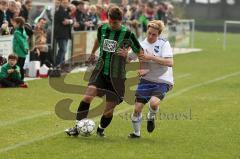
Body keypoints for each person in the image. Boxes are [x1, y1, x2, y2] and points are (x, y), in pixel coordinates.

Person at [65, 5, 143, 137]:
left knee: (108, 109)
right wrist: (93, 52)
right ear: (108, 18)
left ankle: (101, 129)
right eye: (110, 21)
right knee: (88, 95)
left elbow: (140, 51)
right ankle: (77, 127)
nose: (112, 25)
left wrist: (128, 56)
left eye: (115, 23)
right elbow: (98, 39)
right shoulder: (103, 28)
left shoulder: (128, 33)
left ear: (121, 20)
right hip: (100, 70)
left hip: (117, 76)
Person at [128, 20, 174, 138]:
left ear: (158, 34)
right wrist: (124, 55)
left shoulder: (164, 44)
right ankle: (136, 133)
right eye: (149, 33)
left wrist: (151, 57)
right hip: (146, 80)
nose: (150, 36)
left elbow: (170, 62)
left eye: (154, 34)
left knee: (154, 103)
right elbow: (129, 58)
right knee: (137, 109)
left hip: (163, 80)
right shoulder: (141, 45)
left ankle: (151, 117)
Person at [54, 0, 73, 67]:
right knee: (63, 50)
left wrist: (70, 21)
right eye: (64, 3)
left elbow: (71, 20)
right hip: (60, 34)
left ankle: (61, 66)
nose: (65, 4)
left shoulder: (66, 11)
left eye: (66, 3)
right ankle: (57, 65)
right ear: (61, 3)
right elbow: (64, 22)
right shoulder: (59, 11)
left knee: (63, 51)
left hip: (65, 34)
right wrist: (70, 21)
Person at [12, 16, 29, 81]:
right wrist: (26, 50)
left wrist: (24, 49)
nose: (13, 24)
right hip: (23, 53)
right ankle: (21, 79)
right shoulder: (23, 31)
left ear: (18, 24)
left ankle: (19, 79)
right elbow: (25, 41)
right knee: (20, 66)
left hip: (18, 52)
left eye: (14, 23)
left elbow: (21, 42)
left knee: (17, 66)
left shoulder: (17, 32)